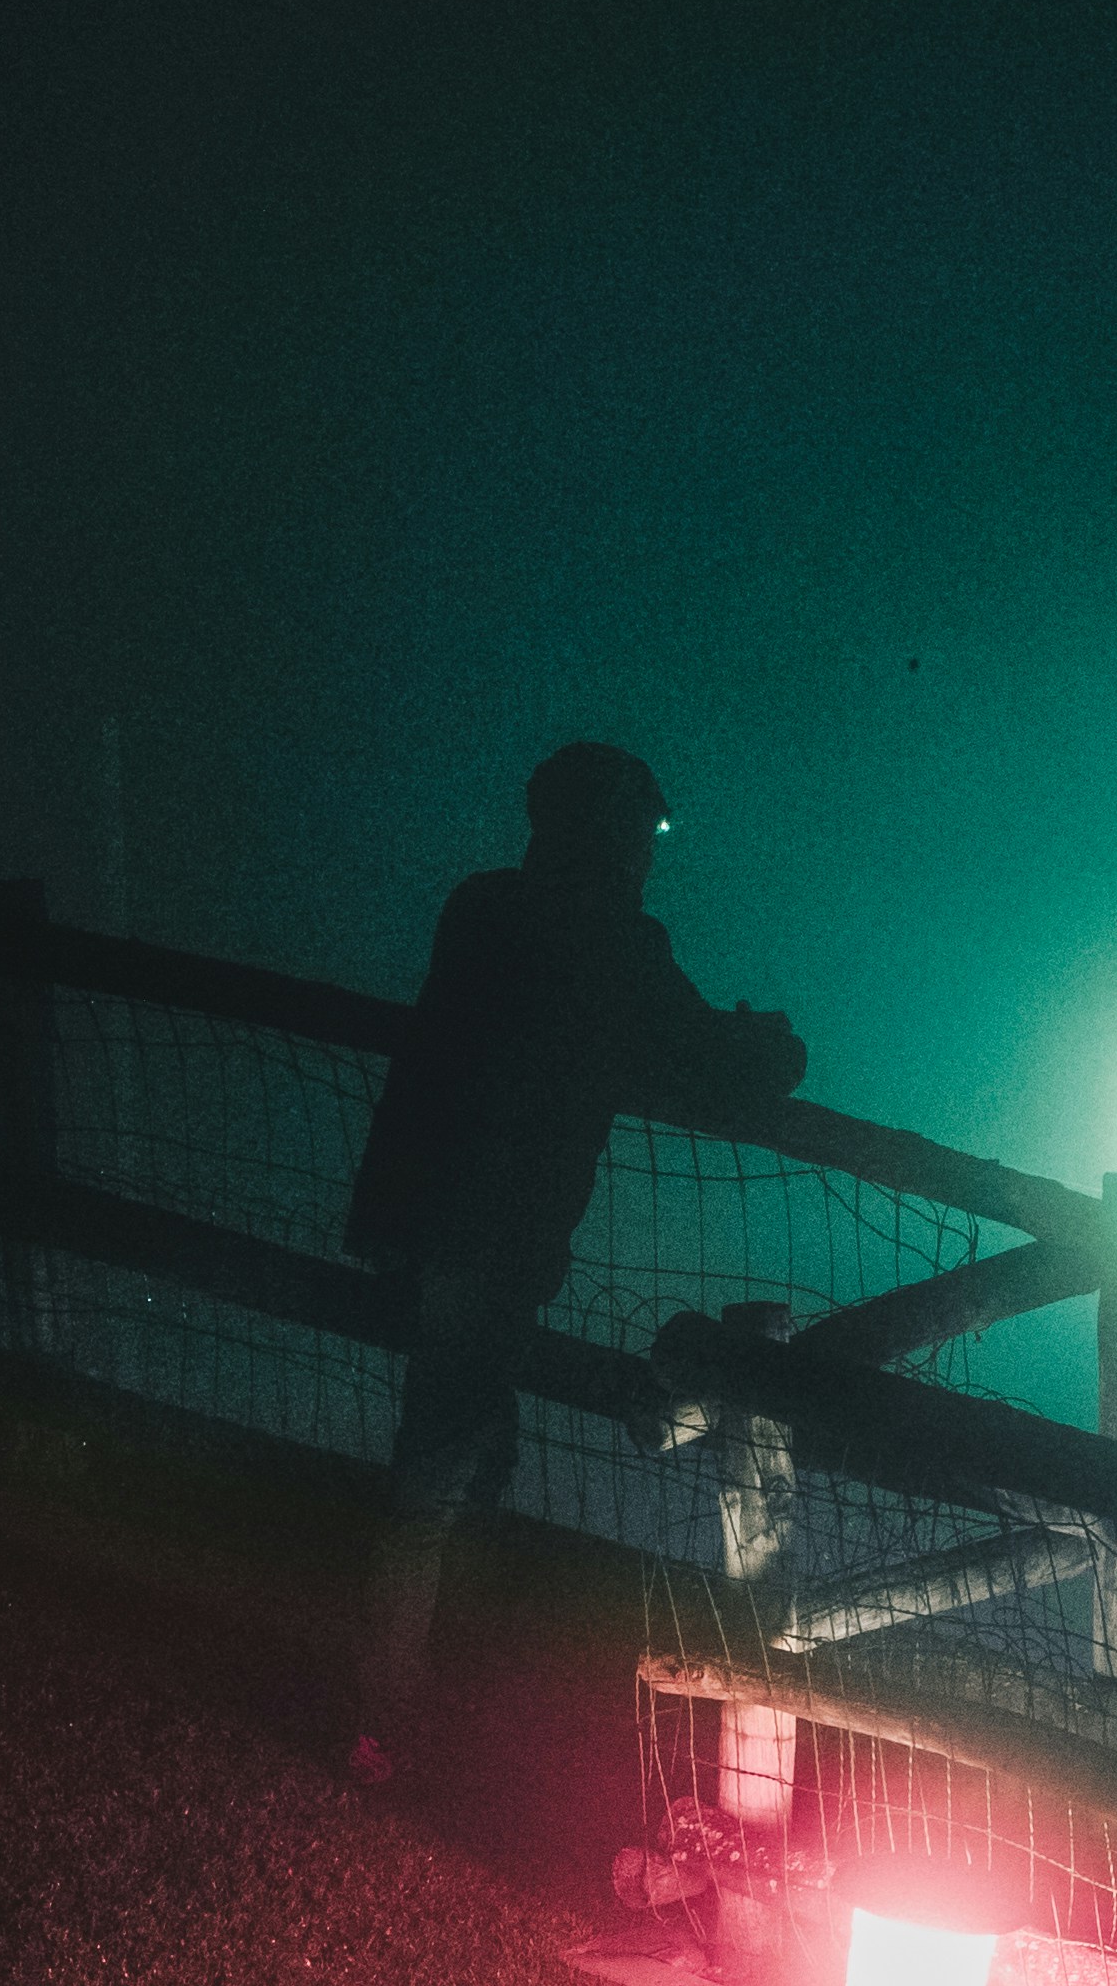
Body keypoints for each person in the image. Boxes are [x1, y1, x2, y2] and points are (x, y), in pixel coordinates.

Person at [343, 741, 805, 1781]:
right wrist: (770, 1038)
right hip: (502, 1234)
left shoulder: (482, 907)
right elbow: (729, 1065)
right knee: (440, 1464)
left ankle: (420, 1697)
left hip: (423, 1214)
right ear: (617, 834)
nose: (652, 850)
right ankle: (387, 1719)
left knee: (461, 1446)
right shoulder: (615, 943)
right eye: (645, 831)